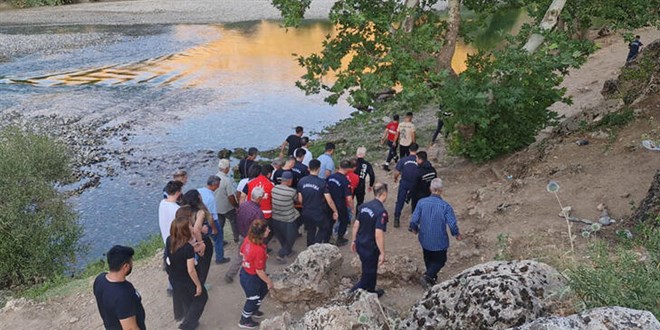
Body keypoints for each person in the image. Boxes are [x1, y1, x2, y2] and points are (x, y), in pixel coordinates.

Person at [409, 178, 462, 288]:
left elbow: (413, 220)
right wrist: (456, 234)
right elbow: (452, 224)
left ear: (430, 189)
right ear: (441, 190)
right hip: (439, 240)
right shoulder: (445, 206)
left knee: (428, 258)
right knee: (441, 260)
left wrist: (414, 229)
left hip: (424, 238)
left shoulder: (421, 203)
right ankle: (427, 276)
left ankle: (431, 279)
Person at [166, 217, 208, 330]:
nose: (192, 228)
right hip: (187, 280)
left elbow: (171, 256)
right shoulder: (187, 248)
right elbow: (191, 270)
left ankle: (191, 322)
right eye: (189, 226)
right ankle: (187, 325)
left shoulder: (170, 240)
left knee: (188, 300)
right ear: (184, 230)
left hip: (175, 279)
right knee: (202, 297)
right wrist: (198, 285)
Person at [93, 245, 146, 330]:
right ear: (125, 266)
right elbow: (130, 328)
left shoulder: (100, 280)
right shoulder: (124, 295)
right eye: (131, 261)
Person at [350, 183, 388, 297]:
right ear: (384, 194)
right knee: (368, 274)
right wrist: (382, 252)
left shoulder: (364, 206)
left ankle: (371, 291)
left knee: (370, 270)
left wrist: (353, 240)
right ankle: (351, 295)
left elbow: (356, 224)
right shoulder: (381, 211)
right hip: (370, 247)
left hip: (361, 243)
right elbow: (378, 234)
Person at [238, 220, 273, 329]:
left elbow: (241, 252)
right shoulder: (258, 250)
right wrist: (269, 281)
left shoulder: (248, 239)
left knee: (262, 290)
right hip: (251, 278)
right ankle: (244, 320)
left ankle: (253, 310)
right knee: (252, 298)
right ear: (261, 233)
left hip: (246, 273)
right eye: (267, 229)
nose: (269, 230)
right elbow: (259, 271)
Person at [225, 187, 265, 284]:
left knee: (240, 255)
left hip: (242, 234)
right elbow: (259, 228)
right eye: (262, 197)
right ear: (259, 198)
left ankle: (230, 274)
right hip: (252, 238)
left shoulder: (243, 205)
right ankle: (260, 276)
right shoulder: (258, 212)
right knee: (258, 258)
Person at [298, 159, 339, 246]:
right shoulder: (322, 182)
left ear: (309, 168)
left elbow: (300, 199)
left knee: (310, 230)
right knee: (325, 227)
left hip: (306, 211)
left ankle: (310, 246)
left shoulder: (302, 181)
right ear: (319, 168)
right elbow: (329, 200)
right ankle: (316, 244)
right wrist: (335, 211)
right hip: (318, 212)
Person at [180, 191, 214, 285]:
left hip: (190, 242)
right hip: (201, 240)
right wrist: (201, 243)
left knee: (196, 265)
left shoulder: (185, 212)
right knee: (204, 265)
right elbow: (196, 229)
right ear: (198, 198)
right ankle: (200, 286)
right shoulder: (201, 212)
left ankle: (196, 284)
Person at [197, 176, 228, 266]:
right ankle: (220, 258)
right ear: (214, 185)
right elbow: (212, 216)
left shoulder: (199, 191)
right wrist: (214, 228)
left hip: (200, 221)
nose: (218, 187)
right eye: (218, 185)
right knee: (218, 238)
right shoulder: (211, 199)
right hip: (209, 222)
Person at [270, 171, 300, 263]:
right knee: (292, 236)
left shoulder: (273, 189)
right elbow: (297, 201)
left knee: (281, 237)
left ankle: (288, 251)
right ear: (289, 181)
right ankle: (281, 254)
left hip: (275, 218)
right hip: (288, 219)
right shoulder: (292, 191)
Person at [327, 160, 353, 246]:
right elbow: (349, 198)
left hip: (329, 203)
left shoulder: (330, 177)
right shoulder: (345, 180)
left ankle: (328, 237)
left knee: (330, 220)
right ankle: (340, 239)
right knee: (343, 220)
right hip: (340, 203)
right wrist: (351, 207)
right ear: (348, 169)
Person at [392, 143, 419, 228]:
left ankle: (396, 218)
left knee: (400, 200)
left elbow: (397, 172)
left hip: (404, 182)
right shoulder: (419, 160)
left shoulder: (403, 160)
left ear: (409, 150)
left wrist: (395, 178)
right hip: (415, 183)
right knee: (415, 201)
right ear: (417, 150)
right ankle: (414, 221)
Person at [215, 159, 240, 243]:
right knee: (234, 222)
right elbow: (231, 196)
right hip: (227, 207)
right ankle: (236, 238)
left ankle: (220, 240)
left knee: (220, 224)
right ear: (226, 169)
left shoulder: (214, 177)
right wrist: (236, 206)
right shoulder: (226, 180)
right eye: (229, 167)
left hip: (217, 206)